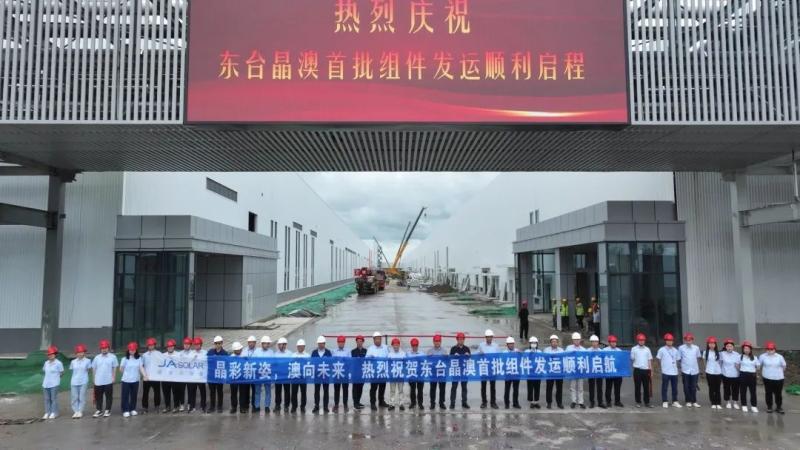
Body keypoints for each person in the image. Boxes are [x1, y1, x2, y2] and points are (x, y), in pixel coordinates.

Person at [91, 339, 118, 418]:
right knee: (98, 396)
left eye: (105, 348)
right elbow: (94, 368)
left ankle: (107, 410)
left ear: (108, 348)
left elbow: (114, 368)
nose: (104, 349)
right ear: (100, 349)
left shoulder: (113, 357)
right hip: (98, 380)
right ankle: (99, 410)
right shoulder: (97, 358)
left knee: (108, 396)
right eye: (102, 348)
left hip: (108, 380)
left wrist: (114, 377)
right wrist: (94, 378)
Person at [759, 341, 786, 414]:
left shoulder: (779, 357)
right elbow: (759, 365)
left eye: (771, 349)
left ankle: (779, 407)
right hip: (767, 378)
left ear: (775, 349)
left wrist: (778, 372)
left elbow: (784, 366)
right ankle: (769, 407)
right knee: (768, 393)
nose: (770, 351)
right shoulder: (762, 356)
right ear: (766, 349)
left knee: (778, 393)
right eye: (768, 349)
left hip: (778, 378)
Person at [657, 333, 681, 408]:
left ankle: (675, 401)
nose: (669, 342)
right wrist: (662, 367)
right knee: (664, 387)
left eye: (671, 340)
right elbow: (658, 359)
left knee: (675, 388)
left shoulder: (675, 350)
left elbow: (677, 360)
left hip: (674, 372)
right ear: (665, 341)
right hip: (665, 372)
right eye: (668, 340)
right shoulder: (661, 350)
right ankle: (665, 401)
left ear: (673, 341)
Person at [678, 333, 702, 407]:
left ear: (692, 340)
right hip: (685, 370)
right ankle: (688, 401)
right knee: (686, 386)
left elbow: (698, 358)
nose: (688, 341)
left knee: (693, 386)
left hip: (694, 370)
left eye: (690, 340)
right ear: (685, 340)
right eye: (687, 340)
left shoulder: (696, 348)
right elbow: (679, 358)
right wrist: (683, 365)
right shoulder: (681, 348)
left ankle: (694, 401)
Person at [367, 331, 389, 410]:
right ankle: (373, 403)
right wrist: (370, 358)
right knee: (373, 388)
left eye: (379, 339)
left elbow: (389, 357)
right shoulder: (370, 348)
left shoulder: (385, 347)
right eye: (376, 339)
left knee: (382, 387)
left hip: (383, 370)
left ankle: (381, 401)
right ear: (373, 340)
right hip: (374, 372)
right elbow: (366, 359)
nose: (378, 340)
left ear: (381, 339)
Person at [119, 342, 142, 418]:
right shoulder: (124, 359)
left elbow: (141, 368)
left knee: (134, 395)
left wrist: (145, 375)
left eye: (133, 350)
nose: (132, 351)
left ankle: (132, 409)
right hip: (126, 380)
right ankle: (125, 410)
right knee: (125, 395)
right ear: (128, 350)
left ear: (136, 350)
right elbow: (121, 369)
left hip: (135, 380)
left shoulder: (139, 358)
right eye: (130, 350)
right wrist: (127, 374)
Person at [478, 329, 500, 409]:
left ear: (492, 337)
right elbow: (476, 355)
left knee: (493, 387)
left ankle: (493, 402)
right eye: (488, 337)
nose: (489, 338)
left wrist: (497, 368)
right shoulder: (481, 345)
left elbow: (499, 357)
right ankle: (484, 402)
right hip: (484, 368)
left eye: (490, 337)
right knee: (483, 386)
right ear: (485, 337)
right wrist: (479, 354)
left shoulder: (496, 346)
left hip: (492, 368)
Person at [631, 333, 653, 408]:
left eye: (643, 340)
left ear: (644, 341)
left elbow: (649, 360)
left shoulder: (647, 349)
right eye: (640, 340)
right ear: (638, 341)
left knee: (646, 387)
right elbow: (632, 358)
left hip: (646, 370)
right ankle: (638, 402)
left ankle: (647, 402)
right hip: (637, 370)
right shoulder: (634, 349)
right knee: (637, 387)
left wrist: (651, 370)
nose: (641, 341)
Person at [252, 335, 273, 414]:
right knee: (257, 391)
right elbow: (253, 362)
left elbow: (274, 363)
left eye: (268, 343)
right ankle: (257, 406)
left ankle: (267, 406)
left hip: (267, 374)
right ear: (262, 343)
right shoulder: (256, 352)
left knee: (268, 391)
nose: (267, 345)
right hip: (259, 374)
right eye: (265, 343)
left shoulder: (271, 352)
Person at [449, 332, 471, 409]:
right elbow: (449, 360)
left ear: (464, 340)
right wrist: (453, 356)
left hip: (464, 371)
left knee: (464, 387)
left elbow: (470, 360)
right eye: (459, 339)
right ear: (457, 340)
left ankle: (464, 402)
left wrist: (468, 356)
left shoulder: (467, 349)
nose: (461, 340)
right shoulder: (453, 349)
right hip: (456, 371)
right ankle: (452, 403)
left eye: (462, 339)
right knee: (454, 387)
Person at [206, 336, 227, 414]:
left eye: (219, 343)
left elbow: (227, 363)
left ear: (222, 343)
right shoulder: (210, 352)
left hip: (219, 375)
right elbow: (205, 360)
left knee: (219, 391)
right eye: (216, 343)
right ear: (214, 344)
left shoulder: (224, 353)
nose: (217, 345)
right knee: (212, 391)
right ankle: (212, 406)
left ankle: (220, 406)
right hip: (211, 375)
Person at [140, 337, 161, 414]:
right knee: (145, 393)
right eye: (149, 345)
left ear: (154, 345)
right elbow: (141, 366)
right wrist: (144, 375)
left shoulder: (159, 354)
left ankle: (157, 406)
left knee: (157, 393)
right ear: (147, 346)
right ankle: (145, 407)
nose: (150, 346)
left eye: (152, 345)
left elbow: (162, 364)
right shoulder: (145, 355)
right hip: (147, 378)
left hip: (156, 378)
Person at [737, 340, 760, 413]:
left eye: (748, 348)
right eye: (745, 348)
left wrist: (755, 373)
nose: (746, 350)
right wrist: (742, 370)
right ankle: (744, 405)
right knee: (743, 391)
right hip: (743, 375)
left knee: (753, 391)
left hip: (752, 376)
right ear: (743, 349)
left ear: (750, 349)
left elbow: (758, 366)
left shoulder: (755, 357)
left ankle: (754, 406)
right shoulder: (740, 357)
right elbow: (737, 365)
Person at [69, 344, 91, 419]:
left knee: (82, 397)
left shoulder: (88, 361)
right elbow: (72, 371)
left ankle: (80, 411)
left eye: (81, 352)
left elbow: (88, 370)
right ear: (76, 353)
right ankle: (76, 411)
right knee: (74, 397)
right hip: (74, 381)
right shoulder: (73, 362)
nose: (80, 354)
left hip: (83, 381)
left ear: (84, 353)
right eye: (78, 352)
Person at [311, 335, 332, 414]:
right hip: (317, 375)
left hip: (325, 375)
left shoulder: (328, 352)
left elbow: (331, 363)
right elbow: (311, 363)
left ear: (324, 344)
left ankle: (325, 406)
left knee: (326, 391)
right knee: (317, 391)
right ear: (317, 344)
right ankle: (316, 405)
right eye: (319, 343)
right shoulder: (314, 352)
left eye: (322, 343)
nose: (320, 345)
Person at [42, 345, 63, 420]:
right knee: (46, 399)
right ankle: (47, 412)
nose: (50, 356)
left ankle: (54, 412)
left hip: (54, 384)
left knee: (53, 398)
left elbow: (61, 372)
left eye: (52, 354)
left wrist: (56, 379)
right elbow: (44, 371)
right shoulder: (46, 363)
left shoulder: (58, 363)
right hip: (45, 384)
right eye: (49, 354)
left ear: (55, 355)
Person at [565, 332, 585, 409]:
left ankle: (581, 402)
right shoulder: (568, 348)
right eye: (575, 340)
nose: (577, 341)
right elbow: (565, 357)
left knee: (580, 387)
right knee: (572, 387)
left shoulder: (583, 350)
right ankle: (573, 401)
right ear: (573, 340)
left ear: (580, 340)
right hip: (572, 370)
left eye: (578, 339)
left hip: (580, 370)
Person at [427, 334, 447, 410]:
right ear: (433, 342)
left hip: (441, 372)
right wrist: (429, 357)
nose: (437, 342)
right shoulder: (430, 351)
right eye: (435, 341)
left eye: (438, 341)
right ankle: (432, 403)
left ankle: (441, 403)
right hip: (433, 372)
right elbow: (427, 362)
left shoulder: (444, 351)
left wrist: (446, 357)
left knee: (442, 389)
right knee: (432, 389)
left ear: (440, 342)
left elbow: (447, 362)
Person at [702, 336, 723, 410]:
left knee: (717, 388)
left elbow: (721, 363)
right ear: (708, 344)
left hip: (718, 373)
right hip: (709, 372)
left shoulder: (719, 353)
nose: (711, 345)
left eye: (713, 343)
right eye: (710, 343)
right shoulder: (705, 352)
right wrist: (706, 370)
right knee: (711, 388)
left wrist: (719, 370)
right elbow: (704, 362)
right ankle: (713, 402)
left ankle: (718, 403)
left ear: (715, 344)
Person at [720, 338, 741, 409]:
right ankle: (728, 402)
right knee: (726, 389)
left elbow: (738, 365)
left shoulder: (737, 354)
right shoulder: (722, 354)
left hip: (735, 375)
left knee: (735, 390)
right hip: (725, 374)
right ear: (725, 347)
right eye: (727, 346)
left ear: (733, 347)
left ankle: (735, 402)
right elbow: (720, 363)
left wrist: (740, 371)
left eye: (731, 346)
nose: (729, 348)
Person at [603, 335, 624, 407]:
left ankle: (617, 401)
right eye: (612, 342)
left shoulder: (619, 351)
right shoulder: (605, 350)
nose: (614, 343)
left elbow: (622, 361)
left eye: (615, 342)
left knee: (617, 388)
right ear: (609, 343)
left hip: (618, 372)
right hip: (609, 372)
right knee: (608, 387)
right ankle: (608, 401)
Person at [188, 337, 207, 413]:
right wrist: (193, 358)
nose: (196, 346)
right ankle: (192, 406)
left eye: (198, 344)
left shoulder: (205, 353)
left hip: (201, 376)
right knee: (192, 392)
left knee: (203, 392)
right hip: (193, 376)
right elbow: (187, 363)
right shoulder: (191, 353)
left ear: (201, 345)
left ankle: (203, 406)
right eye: (195, 344)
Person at [544, 335, 564, 409]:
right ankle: (549, 403)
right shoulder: (546, 350)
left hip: (559, 372)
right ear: (550, 342)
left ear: (557, 342)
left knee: (559, 388)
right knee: (549, 388)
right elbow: (544, 359)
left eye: (555, 342)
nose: (554, 343)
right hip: (550, 372)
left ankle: (559, 403)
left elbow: (564, 360)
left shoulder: (561, 350)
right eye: (553, 342)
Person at [331, 335, 350, 413]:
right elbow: (332, 361)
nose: (341, 343)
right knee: (336, 390)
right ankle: (336, 404)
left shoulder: (348, 351)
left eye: (342, 342)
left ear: (344, 343)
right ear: (337, 343)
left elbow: (350, 361)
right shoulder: (334, 351)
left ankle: (345, 404)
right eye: (339, 342)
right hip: (337, 373)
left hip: (345, 373)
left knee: (345, 389)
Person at [273, 337, 292, 413]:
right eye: (279, 345)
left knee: (287, 391)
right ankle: (277, 405)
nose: (281, 346)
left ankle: (286, 406)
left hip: (286, 376)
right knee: (278, 391)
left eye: (283, 344)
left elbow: (292, 364)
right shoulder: (275, 354)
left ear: (285, 345)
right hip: (278, 376)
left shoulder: (289, 353)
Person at [387, 338, 407, 411]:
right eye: (394, 345)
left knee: (401, 390)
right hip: (392, 375)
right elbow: (387, 364)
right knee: (392, 390)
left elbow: (406, 364)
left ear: (399, 345)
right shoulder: (389, 354)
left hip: (400, 374)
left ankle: (401, 404)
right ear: (392, 346)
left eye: (397, 345)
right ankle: (392, 404)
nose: (396, 346)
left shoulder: (403, 354)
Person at [240, 335, 258, 414]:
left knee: (254, 391)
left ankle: (254, 405)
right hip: (246, 374)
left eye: (253, 342)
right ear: (248, 343)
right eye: (250, 342)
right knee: (245, 391)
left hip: (254, 374)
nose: (251, 344)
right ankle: (245, 405)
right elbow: (241, 361)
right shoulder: (244, 351)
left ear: (255, 343)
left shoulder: (257, 351)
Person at [291, 339, 309, 414]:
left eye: (302, 346)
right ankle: (294, 407)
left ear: (304, 347)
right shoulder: (293, 355)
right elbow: (290, 365)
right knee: (294, 392)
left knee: (303, 392)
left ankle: (303, 407)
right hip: (295, 376)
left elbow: (309, 365)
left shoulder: (307, 355)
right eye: (299, 346)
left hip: (303, 377)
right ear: (297, 347)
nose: (300, 348)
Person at [586, 335, 605, 409]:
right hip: (591, 371)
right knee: (591, 387)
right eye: (593, 342)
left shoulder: (601, 351)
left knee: (599, 387)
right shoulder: (587, 351)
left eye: (596, 342)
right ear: (591, 343)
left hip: (599, 371)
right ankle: (592, 402)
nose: (594, 343)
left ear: (598, 342)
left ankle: (600, 402)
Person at [161, 339, 179, 413]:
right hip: (165, 378)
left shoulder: (178, 355)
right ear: (167, 347)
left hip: (175, 378)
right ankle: (167, 406)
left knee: (176, 393)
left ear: (174, 347)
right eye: (168, 346)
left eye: (171, 346)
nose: (170, 347)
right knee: (166, 393)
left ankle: (176, 406)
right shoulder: (163, 355)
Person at [502, 336, 521, 409]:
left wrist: (521, 354)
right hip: (508, 373)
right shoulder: (504, 353)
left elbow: (523, 360)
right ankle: (506, 403)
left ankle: (515, 403)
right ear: (507, 345)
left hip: (516, 373)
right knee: (507, 389)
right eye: (509, 344)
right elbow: (502, 362)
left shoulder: (517, 351)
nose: (511, 345)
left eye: (512, 343)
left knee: (516, 389)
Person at [176, 337, 193, 413]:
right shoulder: (179, 354)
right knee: (181, 391)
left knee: (190, 390)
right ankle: (182, 404)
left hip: (190, 375)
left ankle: (189, 404)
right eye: (185, 344)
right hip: (182, 375)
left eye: (188, 344)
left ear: (190, 345)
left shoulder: (193, 353)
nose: (186, 345)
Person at [407, 338, 425, 410]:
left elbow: (426, 362)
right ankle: (413, 402)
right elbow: (405, 363)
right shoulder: (408, 354)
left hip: (420, 374)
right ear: (411, 346)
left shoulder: (422, 354)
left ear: (418, 345)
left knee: (420, 390)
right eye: (413, 345)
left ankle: (420, 403)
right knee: (412, 389)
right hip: (411, 374)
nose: (415, 347)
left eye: (416, 345)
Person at [350, 335, 367, 410]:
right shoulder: (353, 351)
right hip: (355, 372)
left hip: (362, 372)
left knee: (360, 387)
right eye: (358, 341)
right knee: (355, 388)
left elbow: (367, 361)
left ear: (363, 342)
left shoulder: (365, 351)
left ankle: (358, 401)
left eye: (361, 341)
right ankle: (355, 403)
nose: (359, 343)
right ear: (356, 342)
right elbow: (351, 362)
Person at [525, 336, 541, 409]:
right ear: (530, 344)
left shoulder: (539, 352)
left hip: (537, 372)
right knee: (530, 387)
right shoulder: (527, 351)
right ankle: (531, 402)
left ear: (537, 344)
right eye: (532, 343)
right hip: (530, 373)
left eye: (535, 343)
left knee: (537, 387)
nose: (533, 344)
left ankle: (536, 402)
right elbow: (524, 359)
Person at [228, 341, 245, 414]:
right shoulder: (231, 357)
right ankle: (234, 407)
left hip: (242, 377)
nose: (240, 350)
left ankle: (242, 407)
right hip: (233, 378)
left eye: (240, 349)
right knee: (233, 393)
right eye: (238, 349)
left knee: (242, 393)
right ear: (234, 350)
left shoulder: (243, 356)